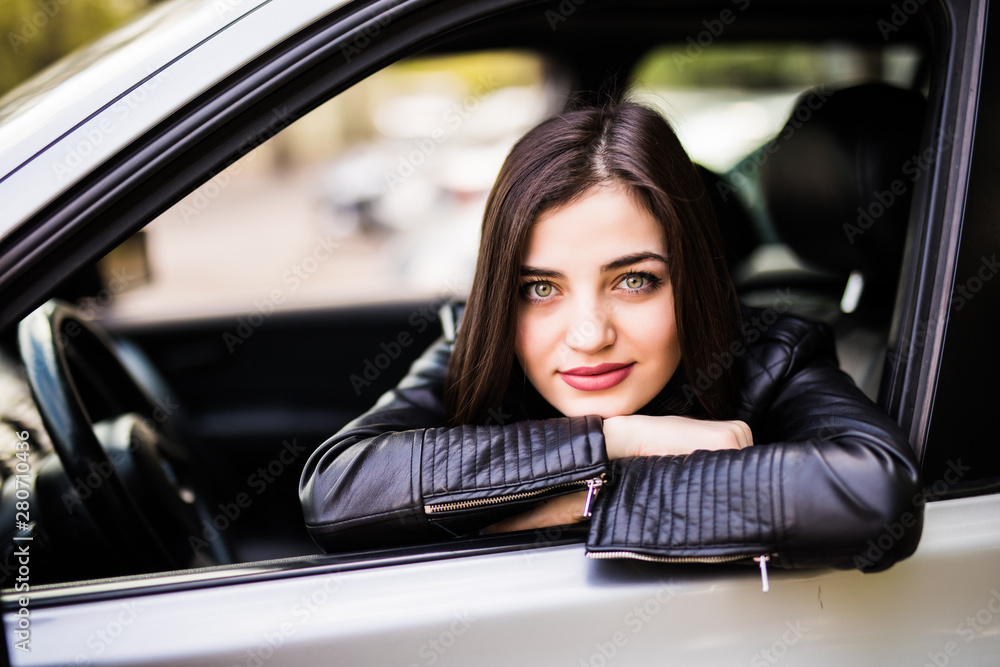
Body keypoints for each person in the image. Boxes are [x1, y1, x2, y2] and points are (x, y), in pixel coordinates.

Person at [299, 100, 923, 577]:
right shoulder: (479, 349)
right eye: (540, 288)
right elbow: (340, 490)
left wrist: (576, 499)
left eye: (634, 280)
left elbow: (875, 494)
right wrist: (621, 441)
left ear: (694, 278)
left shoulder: (771, 357)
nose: (590, 334)